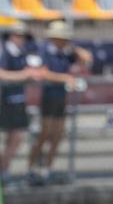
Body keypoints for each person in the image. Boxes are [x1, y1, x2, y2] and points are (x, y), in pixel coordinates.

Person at [27, 20, 92, 185]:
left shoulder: (65, 53)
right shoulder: (44, 51)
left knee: (57, 134)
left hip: (61, 98)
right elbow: (43, 73)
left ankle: (48, 168)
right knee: (45, 133)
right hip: (49, 97)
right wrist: (65, 78)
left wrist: (75, 49)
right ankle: (31, 167)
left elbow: (86, 58)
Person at [0, 22, 43, 177]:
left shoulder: (21, 52)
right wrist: (24, 75)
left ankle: (4, 169)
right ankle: (3, 170)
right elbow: (2, 73)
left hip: (16, 100)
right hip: (5, 100)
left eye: (23, 36)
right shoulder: (5, 50)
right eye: (17, 35)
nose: (21, 39)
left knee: (15, 138)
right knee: (15, 137)